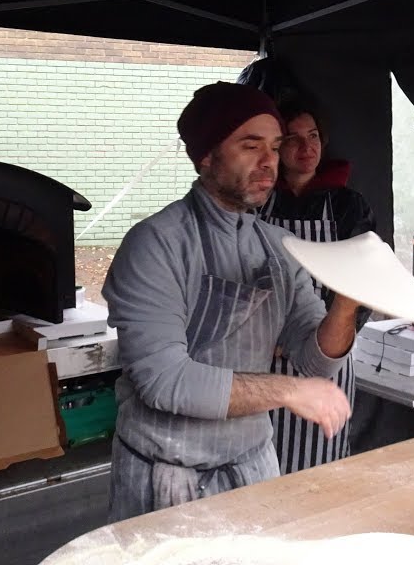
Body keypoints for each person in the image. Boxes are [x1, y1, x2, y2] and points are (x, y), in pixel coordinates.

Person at [102, 81, 360, 522]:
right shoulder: (156, 244)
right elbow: (165, 380)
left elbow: (316, 361)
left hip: (254, 463)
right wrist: (290, 391)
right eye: (250, 145)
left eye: (274, 147)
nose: (269, 163)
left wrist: (350, 301)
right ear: (206, 156)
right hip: (168, 474)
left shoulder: (279, 246)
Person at [256, 99, 376, 474]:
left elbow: (366, 281)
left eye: (313, 137)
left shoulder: (347, 206)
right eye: (293, 139)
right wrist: (263, 334)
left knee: (317, 466)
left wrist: (332, 340)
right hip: (263, 356)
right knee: (260, 460)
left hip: (329, 349)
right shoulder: (257, 201)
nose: (306, 149)